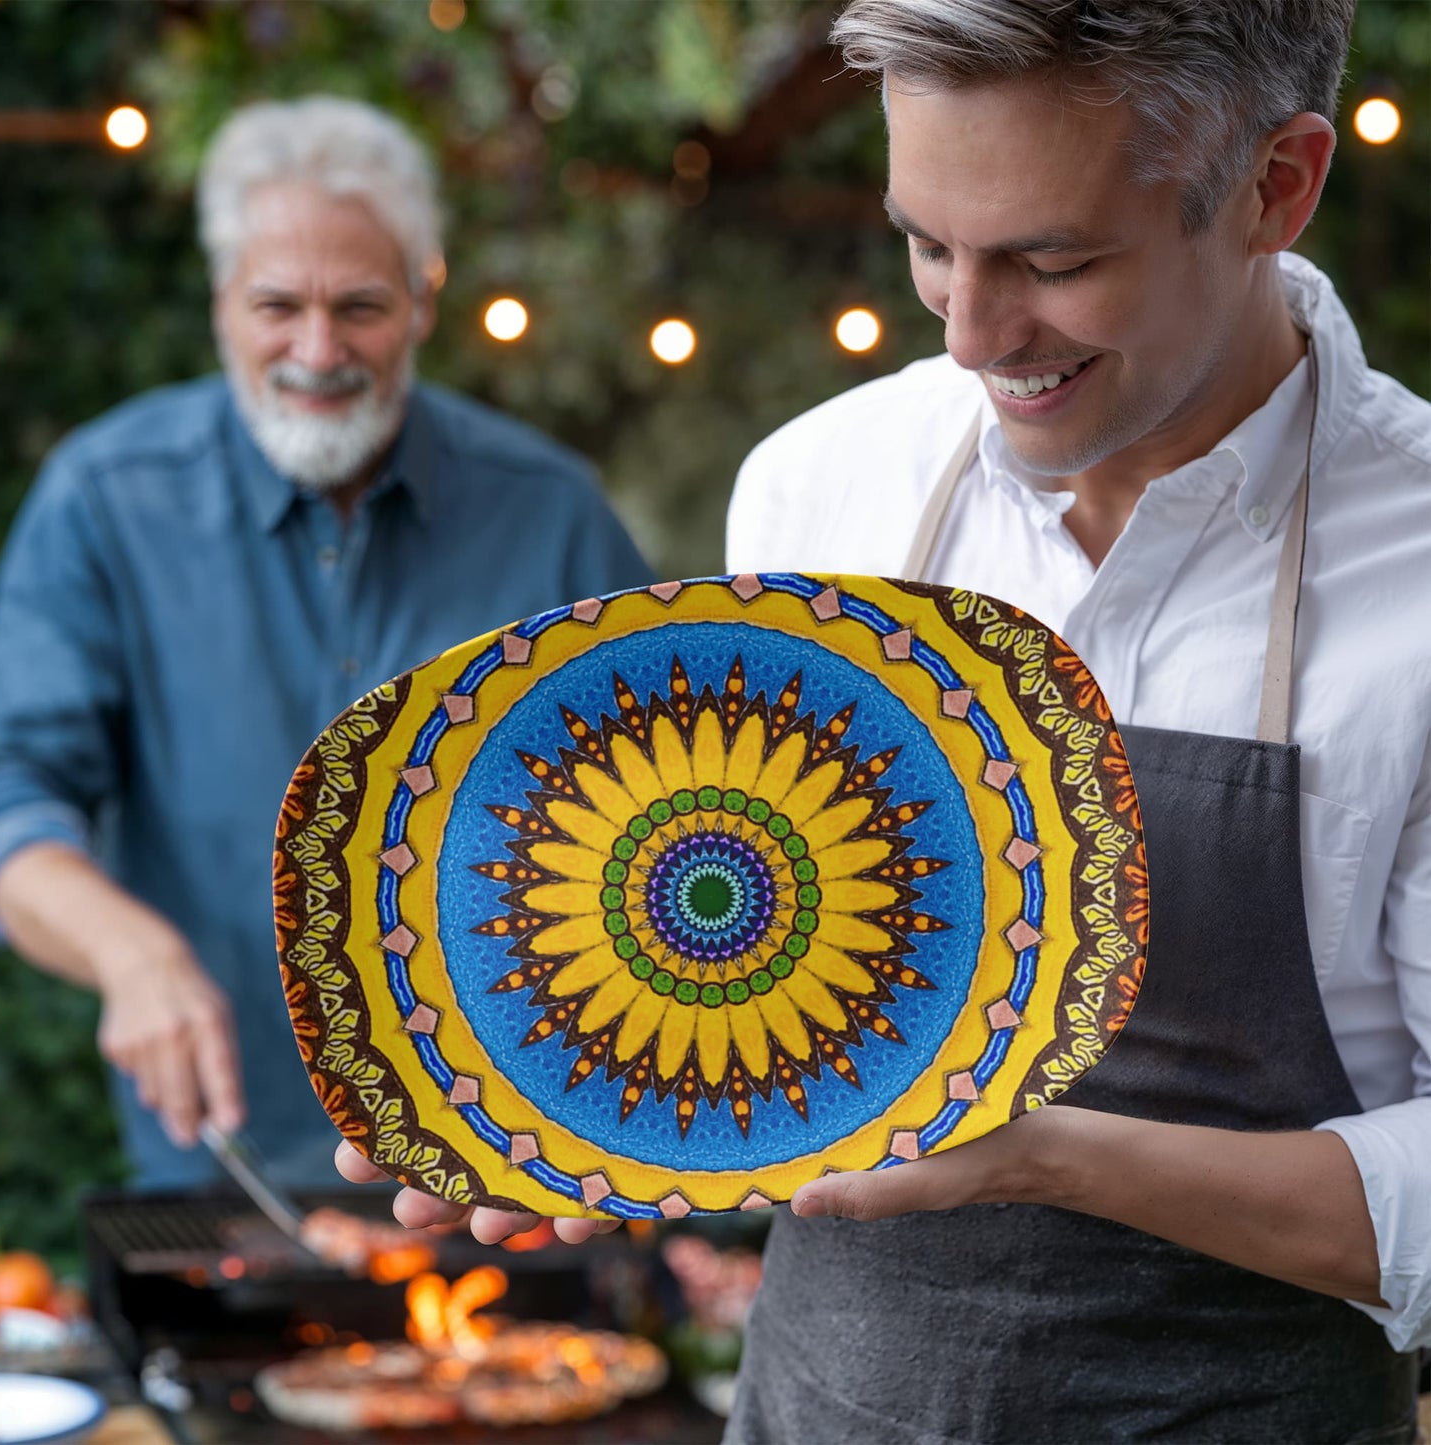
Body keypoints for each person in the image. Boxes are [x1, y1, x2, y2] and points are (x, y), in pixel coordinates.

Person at [340, 2, 1430, 1440]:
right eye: (926, 243)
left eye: (1054, 260)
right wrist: (577, 1119)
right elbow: (740, 977)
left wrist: (1040, 1157)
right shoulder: (821, 485)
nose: (974, 335)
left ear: (1276, 188)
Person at [0, 96, 653, 1192]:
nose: (317, 348)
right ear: (219, 303)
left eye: (359, 306)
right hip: (219, 1171)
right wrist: (127, 950)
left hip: (512, 1166)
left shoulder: (553, 513)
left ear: (425, 299)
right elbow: (10, 803)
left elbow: (663, 800)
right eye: (275, 305)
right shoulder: (105, 499)